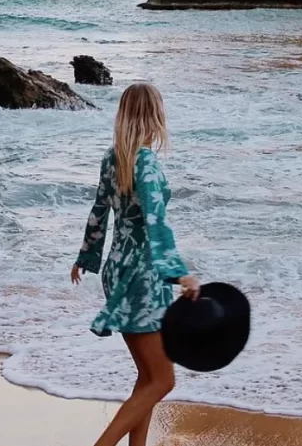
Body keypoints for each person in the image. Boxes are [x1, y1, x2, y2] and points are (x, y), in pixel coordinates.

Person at [71, 82, 199, 446]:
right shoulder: (146, 165)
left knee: (147, 376)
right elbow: (156, 224)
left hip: (118, 269)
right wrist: (180, 274)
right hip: (144, 274)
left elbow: (99, 211)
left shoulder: (113, 158)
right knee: (163, 380)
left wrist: (86, 257)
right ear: (155, 115)